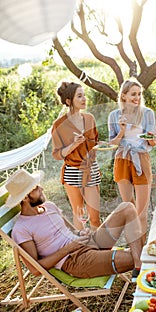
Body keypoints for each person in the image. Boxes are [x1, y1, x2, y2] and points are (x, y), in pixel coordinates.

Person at [5, 169, 144, 279]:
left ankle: (138, 266)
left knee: (127, 207)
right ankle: (140, 263)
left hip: (87, 243)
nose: (41, 188)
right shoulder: (21, 229)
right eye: (35, 187)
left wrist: (81, 233)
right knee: (142, 255)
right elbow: (35, 269)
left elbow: (71, 231)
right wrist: (69, 248)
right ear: (25, 197)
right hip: (74, 260)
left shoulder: (50, 207)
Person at [108, 79, 156, 244]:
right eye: (133, 94)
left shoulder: (147, 113)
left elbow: (152, 142)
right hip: (122, 160)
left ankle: (142, 251)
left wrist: (153, 138)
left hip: (141, 159)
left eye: (139, 94)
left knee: (141, 213)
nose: (137, 97)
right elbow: (112, 144)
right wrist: (121, 131)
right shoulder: (114, 116)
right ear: (123, 95)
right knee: (130, 210)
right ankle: (135, 251)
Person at [52, 81, 101, 230]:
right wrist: (73, 145)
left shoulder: (89, 119)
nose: (84, 99)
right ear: (69, 101)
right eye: (79, 96)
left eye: (84, 95)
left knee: (95, 218)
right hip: (72, 171)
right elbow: (56, 154)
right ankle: (82, 251)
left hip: (90, 169)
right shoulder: (58, 125)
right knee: (79, 215)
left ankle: (100, 250)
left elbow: (96, 142)